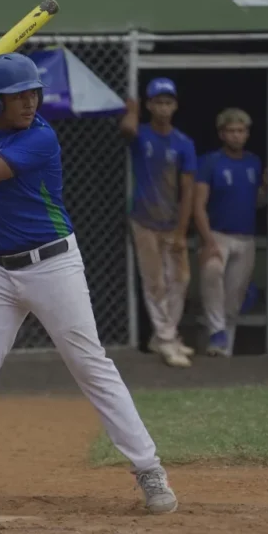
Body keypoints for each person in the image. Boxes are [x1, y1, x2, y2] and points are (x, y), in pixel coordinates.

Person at [0, 52, 177, 514]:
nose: (30, 102)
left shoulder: (40, 137)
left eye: (33, 93)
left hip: (53, 266)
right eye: (18, 96)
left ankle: (149, 470)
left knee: (91, 366)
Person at [118, 78, 197, 368]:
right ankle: (166, 339)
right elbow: (127, 130)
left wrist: (182, 230)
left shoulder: (183, 143)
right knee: (155, 282)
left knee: (181, 279)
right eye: (158, 102)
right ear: (150, 105)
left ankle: (165, 335)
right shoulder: (142, 134)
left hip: (172, 220)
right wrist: (133, 110)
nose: (164, 108)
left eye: (168, 102)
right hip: (144, 219)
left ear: (175, 106)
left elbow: (188, 189)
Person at [193, 108, 265, 357]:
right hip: (217, 234)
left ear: (247, 134)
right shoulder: (210, 162)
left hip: (245, 237)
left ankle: (223, 353)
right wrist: (207, 240)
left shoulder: (254, 162)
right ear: (222, 134)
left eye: (241, 131)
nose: (236, 135)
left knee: (234, 299)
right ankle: (216, 332)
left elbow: (255, 201)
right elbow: (199, 205)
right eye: (231, 131)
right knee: (212, 271)